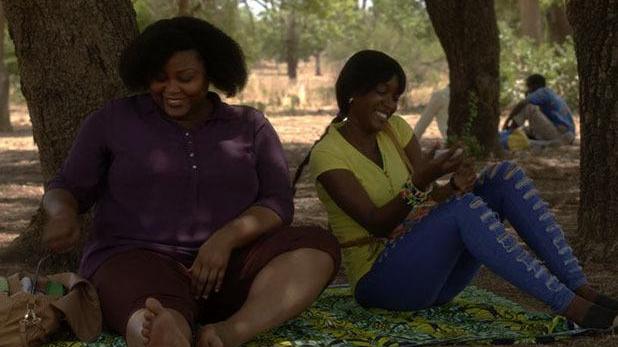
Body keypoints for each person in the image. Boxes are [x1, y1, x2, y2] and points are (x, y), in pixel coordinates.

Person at [42, 17, 340, 347]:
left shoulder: (249, 126)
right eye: (159, 79)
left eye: (186, 78)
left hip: (232, 269)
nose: (171, 89)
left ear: (211, 73)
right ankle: (161, 328)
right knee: (145, 306)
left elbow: (277, 203)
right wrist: (61, 214)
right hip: (136, 262)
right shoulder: (112, 120)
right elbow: (65, 187)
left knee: (316, 248)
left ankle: (229, 332)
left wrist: (225, 239)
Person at [294, 50, 618, 331]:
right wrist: (421, 180)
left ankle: (580, 287)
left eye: (395, 97)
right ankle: (568, 305)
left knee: (505, 176)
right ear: (353, 91)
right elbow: (376, 222)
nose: (390, 105)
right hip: (382, 284)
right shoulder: (328, 154)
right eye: (382, 92)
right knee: (463, 210)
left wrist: (451, 186)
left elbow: (427, 202)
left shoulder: (396, 131)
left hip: (435, 278)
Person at [503, 74, 575, 147]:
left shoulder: (542, 92)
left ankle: (507, 133)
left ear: (535, 85)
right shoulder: (549, 93)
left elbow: (522, 103)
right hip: (566, 134)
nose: (528, 89)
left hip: (560, 134)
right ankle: (541, 142)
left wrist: (508, 120)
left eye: (528, 86)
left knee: (528, 107)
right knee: (524, 130)